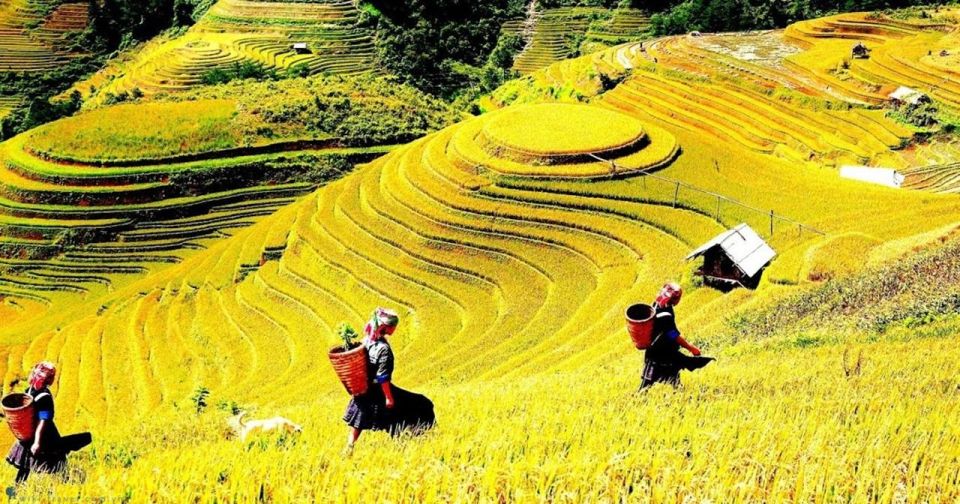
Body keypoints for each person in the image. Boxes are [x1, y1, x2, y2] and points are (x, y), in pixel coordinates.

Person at [343, 308, 435, 451]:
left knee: (358, 421)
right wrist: (388, 397)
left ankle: (349, 447)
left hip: (365, 391)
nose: (394, 329)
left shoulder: (365, 341)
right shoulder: (383, 349)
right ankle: (407, 442)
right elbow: (383, 377)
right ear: (387, 327)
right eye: (394, 327)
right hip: (379, 392)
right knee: (422, 403)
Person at [6, 362, 91, 485]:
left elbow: (43, 419)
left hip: (32, 433)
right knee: (52, 460)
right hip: (44, 435)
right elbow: (43, 421)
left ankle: (67, 483)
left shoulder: (31, 391)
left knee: (32, 463)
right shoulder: (40, 395)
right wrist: (37, 442)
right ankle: (19, 487)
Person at [639, 283, 714, 390]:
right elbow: (673, 334)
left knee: (654, 380)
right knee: (649, 383)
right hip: (663, 352)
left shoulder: (656, 304)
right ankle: (640, 398)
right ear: (675, 299)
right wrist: (691, 348)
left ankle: (679, 394)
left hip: (653, 351)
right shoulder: (666, 315)